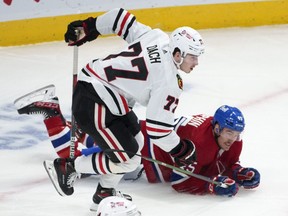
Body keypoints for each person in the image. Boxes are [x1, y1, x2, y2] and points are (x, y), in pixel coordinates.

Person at [15, 7, 204, 211]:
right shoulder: (168, 82)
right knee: (129, 160)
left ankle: (104, 192)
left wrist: (89, 27)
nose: (196, 63)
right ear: (177, 53)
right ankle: (67, 167)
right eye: (192, 57)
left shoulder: (157, 38)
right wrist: (182, 149)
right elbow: (159, 130)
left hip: (103, 92)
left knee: (137, 144)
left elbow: (120, 18)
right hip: (95, 100)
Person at [15, 84, 260, 198]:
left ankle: (67, 121)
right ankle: (51, 113)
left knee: (89, 138)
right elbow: (180, 181)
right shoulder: (200, 141)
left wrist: (238, 171)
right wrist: (210, 185)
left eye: (237, 134)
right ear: (216, 127)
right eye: (229, 132)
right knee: (74, 158)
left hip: (137, 135)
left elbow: (218, 161)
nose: (234, 139)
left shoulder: (228, 140)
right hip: (140, 155)